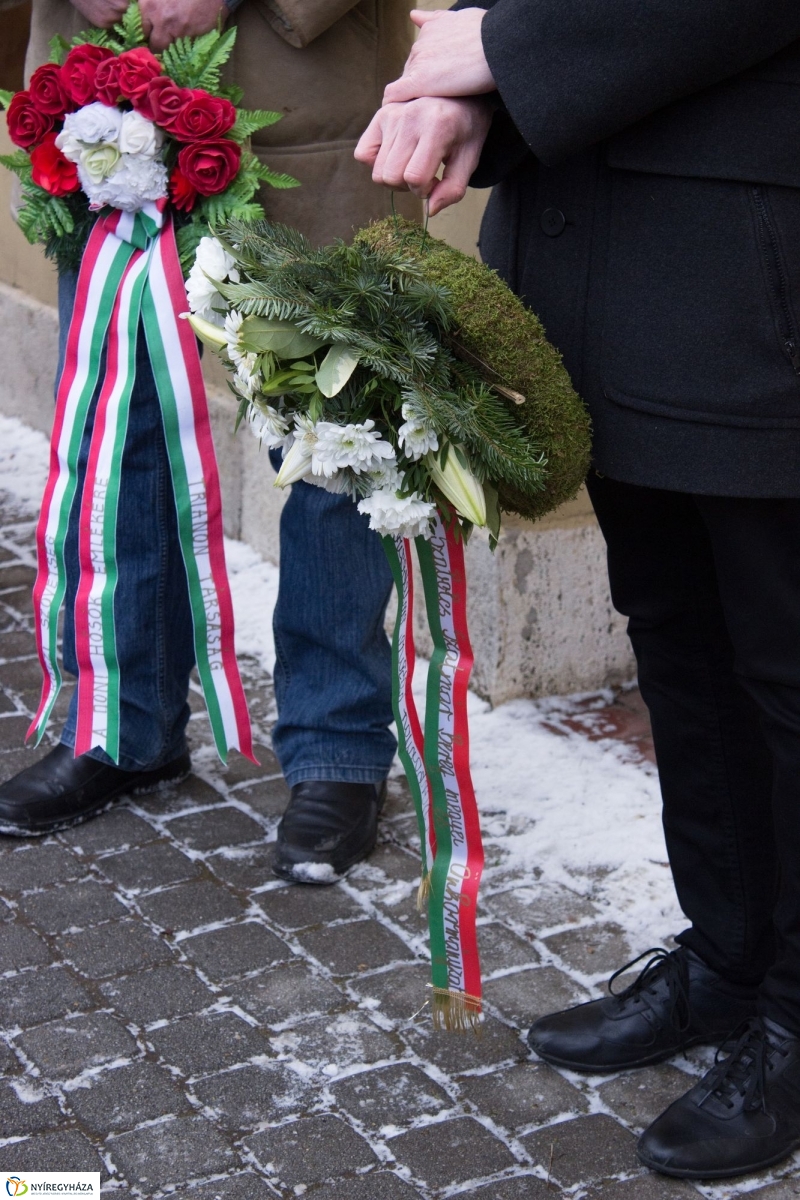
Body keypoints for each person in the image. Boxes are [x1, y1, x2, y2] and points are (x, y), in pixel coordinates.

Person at [356, 1, 800, 1181]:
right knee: (679, 647)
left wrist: (510, 50)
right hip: (602, 245)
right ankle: (727, 962)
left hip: (752, 263)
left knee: (783, 675)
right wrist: (481, 88)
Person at [0, 0, 419, 884]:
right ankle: (124, 727)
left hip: (307, 121)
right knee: (120, 433)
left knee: (329, 445)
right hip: (99, 121)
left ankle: (338, 750)